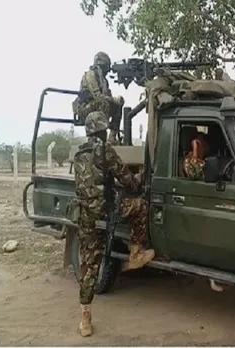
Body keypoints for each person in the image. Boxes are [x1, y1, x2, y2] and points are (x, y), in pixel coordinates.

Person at [73, 111, 155, 337]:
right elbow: (125, 178)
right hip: (105, 212)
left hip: (84, 215)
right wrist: (137, 183)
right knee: (140, 207)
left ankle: (86, 321)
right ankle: (136, 252)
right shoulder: (104, 150)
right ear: (102, 129)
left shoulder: (79, 152)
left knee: (89, 266)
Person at [73, 51, 124, 145]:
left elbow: (107, 97)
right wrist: (113, 99)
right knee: (103, 102)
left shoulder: (104, 80)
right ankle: (99, 134)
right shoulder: (90, 75)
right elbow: (97, 96)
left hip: (96, 106)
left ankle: (112, 136)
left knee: (117, 105)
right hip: (84, 108)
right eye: (106, 66)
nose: (108, 70)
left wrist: (116, 101)